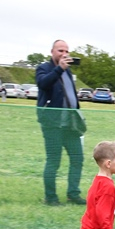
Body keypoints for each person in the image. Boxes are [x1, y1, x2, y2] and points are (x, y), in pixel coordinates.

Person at [35, 39, 85, 206]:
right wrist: (59, 69)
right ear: (52, 52)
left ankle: (73, 194)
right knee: (54, 161)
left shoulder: (68, 71)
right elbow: (43, 83)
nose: (64, 54)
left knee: (77, 158)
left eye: (66, 51)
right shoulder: (44, 68)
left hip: (71, 125)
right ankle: (51, 197)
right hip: (52, 124)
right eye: (60, 51)